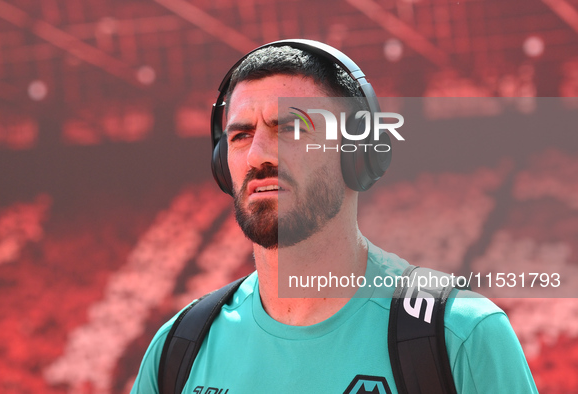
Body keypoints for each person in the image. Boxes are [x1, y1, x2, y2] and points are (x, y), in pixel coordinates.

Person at [131, 40, 538, 393]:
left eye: (290, 128)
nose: (257, 156)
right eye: (240, 135)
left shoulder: (460, 336)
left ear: (357, 153)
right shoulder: (178, 347)